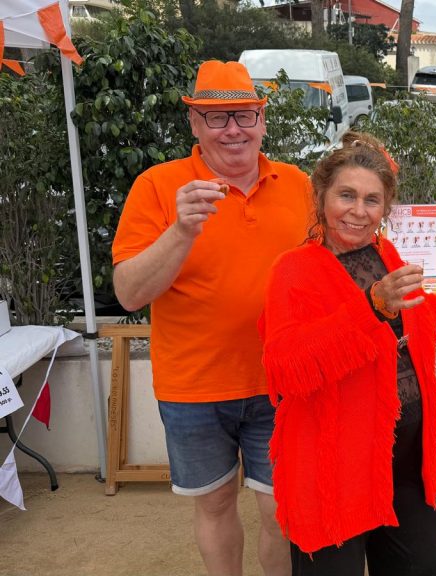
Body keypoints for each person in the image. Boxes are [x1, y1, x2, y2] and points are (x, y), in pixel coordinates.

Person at [259, 132, 436, 576]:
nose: (358, 210)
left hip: (405, 453)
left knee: (426, 565)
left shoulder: (383, 252)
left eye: (371, 200)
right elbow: (285, 366)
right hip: (334, 462)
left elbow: (413, 302)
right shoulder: (292, 270)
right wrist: (372, 307)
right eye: (345, 195)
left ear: (385, 209)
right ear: (321, 197)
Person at [111, 60, 310, 575]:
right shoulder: (158, 186)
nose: (233, 130)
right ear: (195, 124)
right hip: (193, 385)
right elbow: (130, 294)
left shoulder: (299, 185)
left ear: (263, 120)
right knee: (215, 504)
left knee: (283, 513)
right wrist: (180, 230)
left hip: (282, 381)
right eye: (216, 118)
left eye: (243, 115)